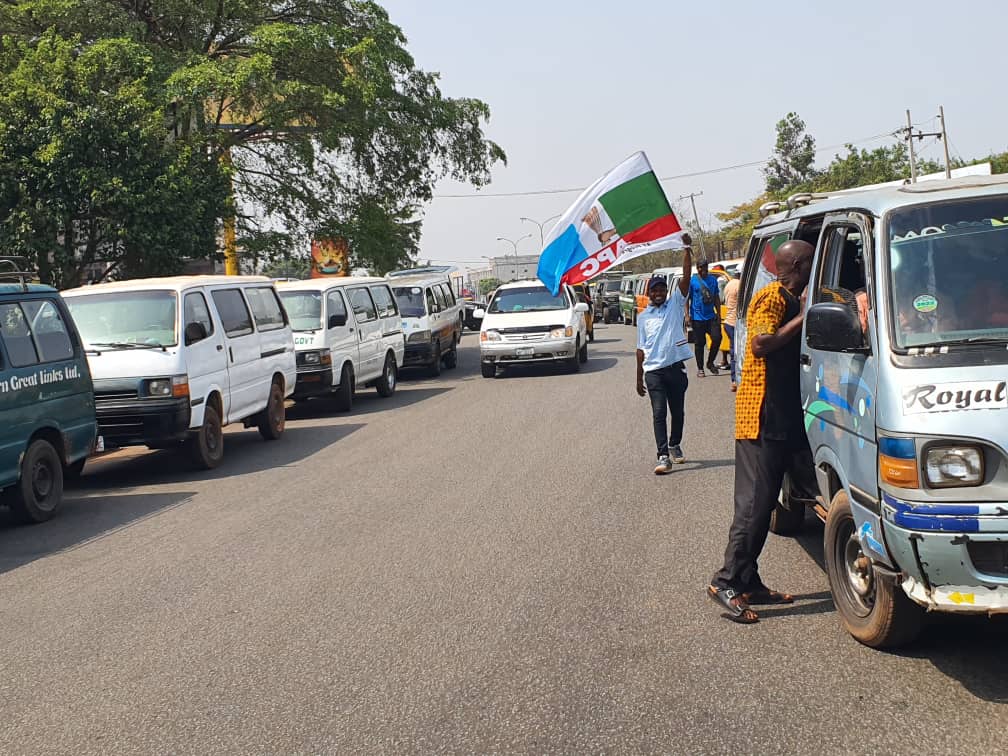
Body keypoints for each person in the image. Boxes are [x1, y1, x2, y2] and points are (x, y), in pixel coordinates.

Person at [707, 240, 814, 624]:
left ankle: (749, 580)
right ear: (798, 264)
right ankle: (726, 581)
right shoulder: (772, 297)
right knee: (754, 506)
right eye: (812, 260)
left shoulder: (792, 298)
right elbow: (760, 343)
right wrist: (805, 316)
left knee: (767, 503)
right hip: (762, 415)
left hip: (783, 416)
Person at [636, 235, 694, 475]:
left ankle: (674, 444)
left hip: (675, 369)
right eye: (655, 290)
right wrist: (638, 378)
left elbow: (686, 278)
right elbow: (641, 349)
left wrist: (687, 250)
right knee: (659, 412)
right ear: (649, 293)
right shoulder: (643, 317)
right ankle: (662, 456)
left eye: (662, 289)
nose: (659, 293)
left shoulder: (675, 305)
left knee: (677, 413)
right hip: (654, 372)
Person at [689, 260, 722, 377]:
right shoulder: (692, 281)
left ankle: (710, 362)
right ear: (697, 268)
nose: (702, 270)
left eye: (704, 267)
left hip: (711, 316)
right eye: (700, 268)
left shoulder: (713, 280)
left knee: (717, 338)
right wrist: (687, 315)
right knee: (699, 344)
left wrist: (719, 313)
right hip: (697, 317)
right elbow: (687, 299)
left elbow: (716, 297)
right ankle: (700, 368)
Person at [722, 270, 741, 391]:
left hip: (728, 322)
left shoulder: (728, 284)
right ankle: (735, 380)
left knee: (733, 351)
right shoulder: (739, 285)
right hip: (735, 323)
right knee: (736, 353)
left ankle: (735, 379)